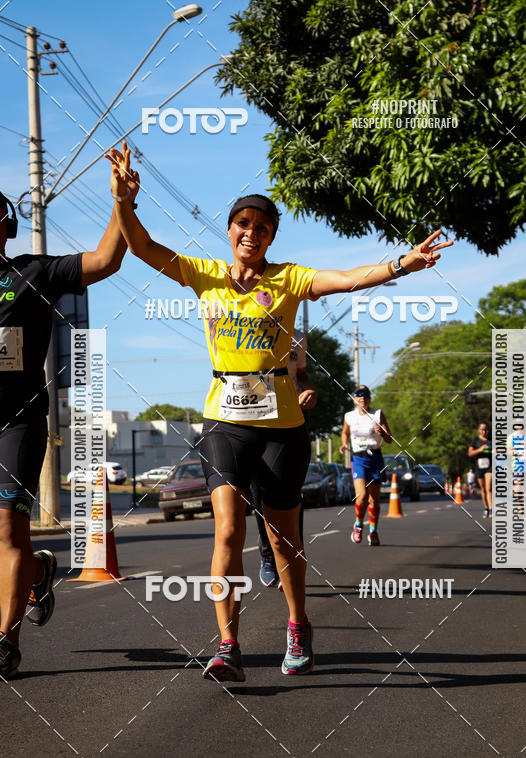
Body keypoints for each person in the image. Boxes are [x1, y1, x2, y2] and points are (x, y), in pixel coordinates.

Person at [106, 139, 453, 682]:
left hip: (281, 428)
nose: (251, 232)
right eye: (242, 223)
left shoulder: (288, 280)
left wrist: (401, 264)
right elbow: (145, 248)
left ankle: (297, 623)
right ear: (230, 231)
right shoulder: (206, 275)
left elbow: (345, 279)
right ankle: (228, 645)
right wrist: (124, 203)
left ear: (270, 237)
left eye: (262, 227)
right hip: (224, 420)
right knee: (226, 533)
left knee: (282, 538)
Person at [0, 170, 137, 677]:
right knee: (10, 545)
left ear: (6, 229)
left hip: (17, 424)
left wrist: (122, 204)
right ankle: (40, 573)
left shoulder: (33, 273)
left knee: (8, 533)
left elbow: (105, 260)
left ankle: (5, 642)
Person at [255, 328, 317, 587]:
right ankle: (268, 558)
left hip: (289, 418)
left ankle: (291, 557)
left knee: (290, 494)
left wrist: (309, 389)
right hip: (253, 416)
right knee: (258, 494)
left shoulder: (299, 337)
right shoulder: (242, 320)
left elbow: (300, 374)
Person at [340, 386, 393, 546]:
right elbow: (345, 432)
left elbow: (390, 439)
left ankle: (373, 531)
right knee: (362, 496)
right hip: (359, 459)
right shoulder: (349, 416)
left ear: (370, 398)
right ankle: (358, 524)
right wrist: (344, 443)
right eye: (359, 395)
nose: (363, 398)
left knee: (374, 500)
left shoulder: (377, 414)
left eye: (366, 395)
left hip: (375, 458)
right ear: (355, 398)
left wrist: (382, 433)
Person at [468, 422, 492, 516]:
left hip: (490, 467)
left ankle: (491, 509)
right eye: (482, 429)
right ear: (478, 430)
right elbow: (470, 453)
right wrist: (479, 449)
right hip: (479, 467)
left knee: (489, 488)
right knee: (483, 489)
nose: (483, 431)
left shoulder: (490, 440)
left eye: (485, 429)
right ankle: (486, 507)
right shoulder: (475, 440)